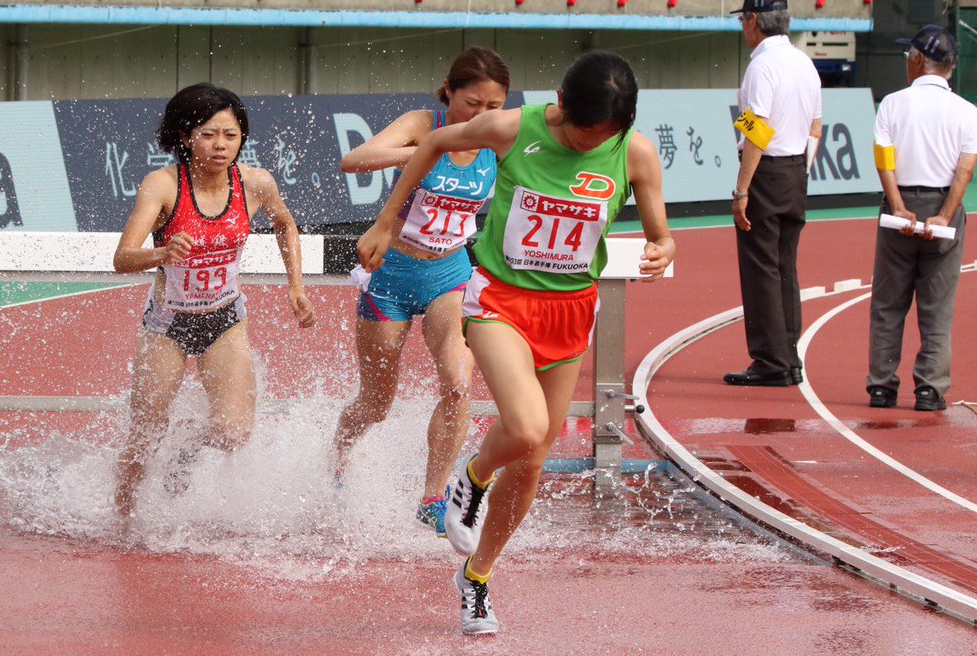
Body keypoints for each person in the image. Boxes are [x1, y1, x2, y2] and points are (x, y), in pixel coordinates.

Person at [357, 51, 674, 635]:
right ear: (561, 105)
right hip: (500, 299)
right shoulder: (511, 127)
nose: (590, 144)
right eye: (583, 132)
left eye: (604, 135)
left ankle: (476, 579)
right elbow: (430, 145)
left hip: (572, 310)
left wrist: (662, 248)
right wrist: (384, 222)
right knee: (525, 427)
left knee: (530, 463)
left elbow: (659, 230)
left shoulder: (635, 153)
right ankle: (470, 477)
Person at [113, 83, 316, 521]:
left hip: (225, 319)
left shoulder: (256, 183)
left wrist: (295, 286)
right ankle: (121, 516)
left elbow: (286, 225)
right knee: (145, 433)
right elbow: (122, 258)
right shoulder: (163, 185)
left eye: (230, 134)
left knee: (234, 431)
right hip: (167, 323)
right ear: (185, 136)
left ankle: (186, 454)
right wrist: (160, 252)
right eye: (208, 134)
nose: (221, 145)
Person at [332, 46, 509, 536]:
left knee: (457, 382)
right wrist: (426, 149)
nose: (482, 117)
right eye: (472, 104)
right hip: (390, 275)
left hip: (450, 274)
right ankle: (339, 456)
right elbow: (355, 160)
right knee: (375, 404)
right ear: (449, 92)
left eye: (494, 107)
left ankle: (433, 496)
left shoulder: (501, 138)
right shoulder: (420, 121)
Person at [867, 25, 977, 412]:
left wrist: (897, 205)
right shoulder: (967, 111)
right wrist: (945, 214)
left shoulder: (893, 104)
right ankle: (930, 389)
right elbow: (965, 170)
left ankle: (881, 385)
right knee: (937, 305)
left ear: (917, 60)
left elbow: (884, 158)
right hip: (943, 205)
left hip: (901, 209)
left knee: (888, 303)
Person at [724, 0, 822, 388]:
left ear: (753, 22)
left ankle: (770, 360)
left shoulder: (762, 66)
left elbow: (758, 131)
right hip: (795, 168)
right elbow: (816, 125)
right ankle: (789, 355)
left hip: (767, 171)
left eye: (744, 20)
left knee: (761, 267)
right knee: (785, 266)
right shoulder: (804, 62)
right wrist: (801, 169)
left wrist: (742, 189)